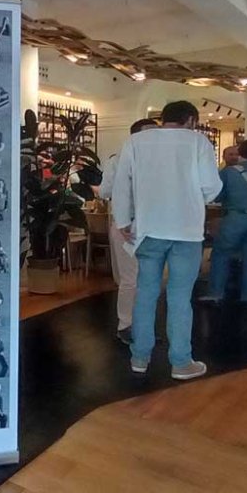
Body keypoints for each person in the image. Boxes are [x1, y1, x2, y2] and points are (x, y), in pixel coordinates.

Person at [112, 100, 220, 380]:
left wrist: (123, 220)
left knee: (145, 294)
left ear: (164, 118)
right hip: (186, 231)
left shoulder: (137, 141)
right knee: (180, 297)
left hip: (148, 229)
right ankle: (181, 361)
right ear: (191, 120)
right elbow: (211, 187)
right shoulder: (198, 142)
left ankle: (139, 357)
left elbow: (121, 184)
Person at [99, 118, 159, 343]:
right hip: (129, 225)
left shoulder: (157, 161)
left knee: (146, 279)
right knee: (132, 278)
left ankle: (141, 326)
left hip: (151, 225)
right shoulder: (118, 160)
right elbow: (105, 192)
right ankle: (127, 325)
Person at [199, 139, 247, 304]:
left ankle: (216, 293)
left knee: (221, 255)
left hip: (234, 218)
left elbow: (217, 195)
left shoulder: (229, 172)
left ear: (241, 152)